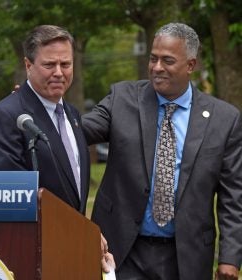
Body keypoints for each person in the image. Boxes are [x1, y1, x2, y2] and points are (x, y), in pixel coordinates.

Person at [82, 22, 242, 280]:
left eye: (167, 61)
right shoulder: (122, 98)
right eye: (153, 59)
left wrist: (230, 258)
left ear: (190, 65)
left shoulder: (224, 119)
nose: (157, 68)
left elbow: (233, 197)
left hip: (185, 258)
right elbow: (76, 132)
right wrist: (39, 109)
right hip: (121, 252)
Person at [0, 25, 114, 272]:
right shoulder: (5, 117)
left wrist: (85, 235)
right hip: (28, 259)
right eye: (50, 65)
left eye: (66, 64)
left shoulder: (72, 114)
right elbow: (9, 200)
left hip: (72, 257)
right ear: (28, 65)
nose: (59, 73)